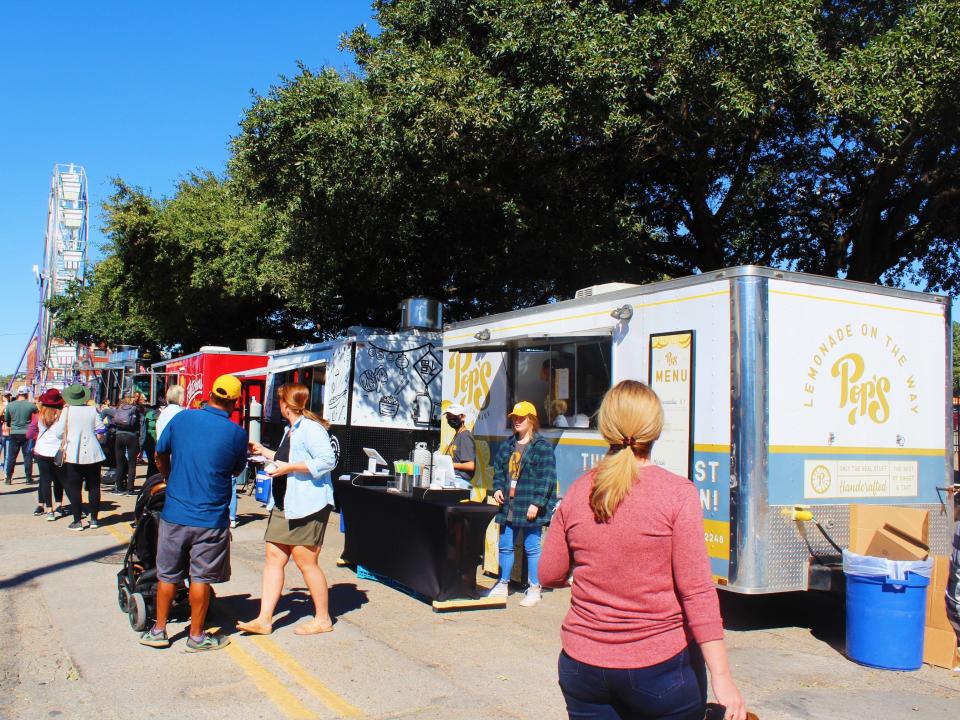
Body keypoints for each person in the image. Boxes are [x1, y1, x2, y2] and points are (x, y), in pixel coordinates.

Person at [540, 380, 746, 720]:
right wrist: (722, 678)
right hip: (660, 670)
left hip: (583, 666)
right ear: (656, 429)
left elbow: (549, 572)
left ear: (604, 426)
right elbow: (697, 591)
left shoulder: (578, 491)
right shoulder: (678, 494)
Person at [140, 375, 248, 652]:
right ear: (234, 403)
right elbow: (236, 470)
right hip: (211, 518)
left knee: (167, 575)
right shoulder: (236, 433)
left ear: (209, 394)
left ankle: (158, 630)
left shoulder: (182, 419)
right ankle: (197, 636)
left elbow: (160, 453)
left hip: (175, 512)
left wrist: (169, 475)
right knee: (200, 578)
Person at [237, 382, 337, 636]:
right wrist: (266, 453)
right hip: (285, 504)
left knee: (306, 562)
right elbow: (289, 458)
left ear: (285, 403)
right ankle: (264, 619)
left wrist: (288, 468)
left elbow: (327, 461)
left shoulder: (311, 429)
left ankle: (323, 618)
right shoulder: (291, 429)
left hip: (307, 506)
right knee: (273, 558)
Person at [486, 401, 558, 607]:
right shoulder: (508, 445)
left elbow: (548, 478)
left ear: (532, 420)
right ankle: (503, 583)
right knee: (506, 546)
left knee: (532, 547)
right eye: (514, 418)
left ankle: (534, 588)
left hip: (528, 504)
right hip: (509, 504)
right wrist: (498, 488)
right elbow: (498, 470)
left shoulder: (542, 447)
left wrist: (537, 503)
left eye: (521, 418)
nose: (516, 421)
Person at [57, 384, 106, 531]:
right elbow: (101, 428)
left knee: (74, 487)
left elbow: (58, 433)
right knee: (94, 486)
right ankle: (94, 520)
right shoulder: (92, 410)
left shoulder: (67, 411)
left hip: (73, 452)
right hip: (93, 452)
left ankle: (77, 521)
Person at [32, 389, 67, 521]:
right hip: (57, 450)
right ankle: (59, 505)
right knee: (59, 479)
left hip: (42, 450)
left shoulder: (39, 415)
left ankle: (49, 509)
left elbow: (31, 432)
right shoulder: (62, 415)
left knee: (45, 480)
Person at [101, 395, 143, 494]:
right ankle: (130, 489)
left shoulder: (118, 410)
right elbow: (142, 429)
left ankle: (119, 488)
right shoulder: (137, 412)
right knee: (132, 464)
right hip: (132, 437)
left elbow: (105, 411)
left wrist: (102, 423)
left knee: (119, 463)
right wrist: (141, 446)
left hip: (119, 437)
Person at [4, 388, 36, 485]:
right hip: (27, 433)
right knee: (27, 456)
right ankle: (28, 478)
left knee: (11, 457)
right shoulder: (31, 406)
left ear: (18, 394)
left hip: (14, 433)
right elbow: (37, 418)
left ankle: (8, 478)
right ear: (26, 394)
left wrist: (11, 425)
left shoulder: (10, 405)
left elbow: (7, 419)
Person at [442, 403, 475, 490]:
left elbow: (470, 465)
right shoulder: (457, 435)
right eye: (448, 416)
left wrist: (450, 464)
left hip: (460, 482)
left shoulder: (465, 436)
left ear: (462, 417)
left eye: (453, 416)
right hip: (453, 481)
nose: (450, 419)